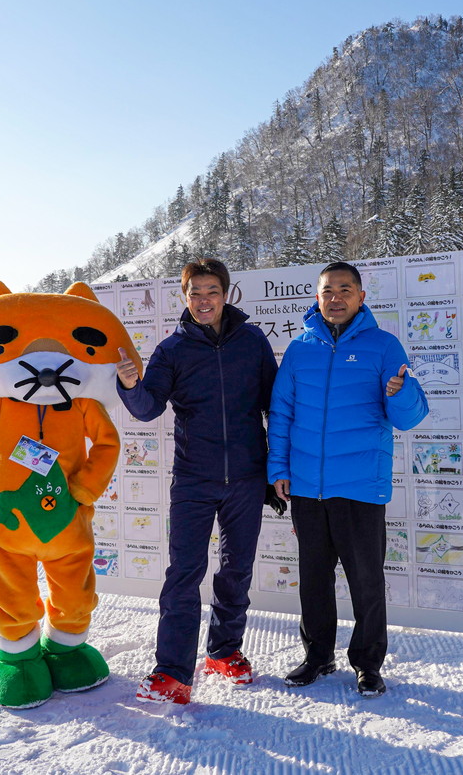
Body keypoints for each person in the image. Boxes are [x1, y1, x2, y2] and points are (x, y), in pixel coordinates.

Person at [116, 258, 279, 705]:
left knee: (236, 569)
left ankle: (224, 652)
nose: (203, 301)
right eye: (195, 293)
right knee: (184, 574)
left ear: (226, 294)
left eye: (211, 291)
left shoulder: (251, 341)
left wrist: (278, 468)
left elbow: (275, 404)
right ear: (184, 297)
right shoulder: (172, 350)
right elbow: (148, 408)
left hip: (247, 475)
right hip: (193, 476)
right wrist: (130, 384)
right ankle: (172, 672)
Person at [268, 262, 428, 697]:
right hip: (306, 488)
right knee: (314, 580)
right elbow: (281, 413)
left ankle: (368, 664)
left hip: (359, 486)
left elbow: (410, 417)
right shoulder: (300, 349)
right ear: (317, 298)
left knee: (366, 581)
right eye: (327, 291)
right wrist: (278, 470)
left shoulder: (383, 346)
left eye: (345, 289)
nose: (335, 298)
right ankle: (318, 656)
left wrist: (403, 393)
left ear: (361, 296)